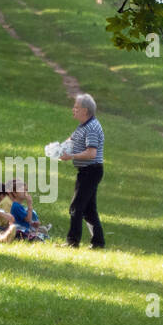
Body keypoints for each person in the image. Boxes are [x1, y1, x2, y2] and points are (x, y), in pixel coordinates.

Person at [59, 92, 105, 248]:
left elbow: (91, 153)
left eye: (76, 107)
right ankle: (98, 243)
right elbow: (71, 140)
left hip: (91, 171)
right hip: (86, 171)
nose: (73, 109)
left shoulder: (91, 128)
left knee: (76, 207)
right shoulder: (83, 126)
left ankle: (73, 241)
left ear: (85, 110)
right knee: (89, 209)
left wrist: (70, 156)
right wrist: (59, 149)